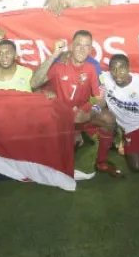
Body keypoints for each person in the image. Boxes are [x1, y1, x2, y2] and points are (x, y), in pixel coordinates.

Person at [30, 30, 122, 177]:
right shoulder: (59, 61)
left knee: (108, 119)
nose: (82, 49)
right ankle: (74, 137)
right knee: (55, 161)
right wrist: (54, 55)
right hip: (58, 114)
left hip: (80, 113)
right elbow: (34, 83)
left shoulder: (93, 66)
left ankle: (101, 161)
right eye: (78, 45)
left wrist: (87, 115)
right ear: (71, 46)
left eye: (86, 46)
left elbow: (101, 98)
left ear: (91, 48)